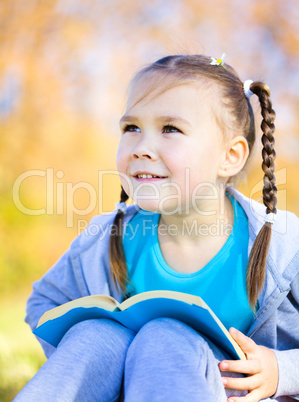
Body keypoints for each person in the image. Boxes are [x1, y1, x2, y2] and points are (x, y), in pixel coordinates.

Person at [15, 54, 299, 402]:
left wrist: (280, 371)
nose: (141, 148)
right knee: (96, 336)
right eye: (131, 128)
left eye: (170, 129)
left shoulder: (282, 246)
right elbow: (45, 302)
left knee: (164, 336)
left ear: (230, 156)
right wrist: (113, 354)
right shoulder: (108, 239)